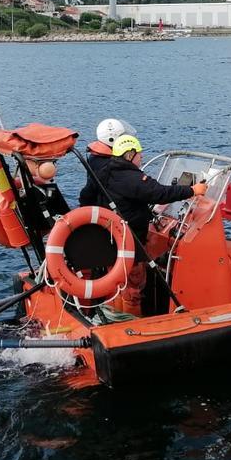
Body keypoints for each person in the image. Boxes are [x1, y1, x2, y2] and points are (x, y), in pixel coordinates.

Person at [99, 134, 207, 316]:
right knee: (134, 283)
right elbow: (159, 193)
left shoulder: (105, 172)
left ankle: (113, 315)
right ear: (130, 154)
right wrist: (192, 190)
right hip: (130, 242)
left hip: (112, 240)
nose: (141, 158)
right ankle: (130, 326)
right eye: (139, 155)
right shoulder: (131, 177)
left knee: (118, 282)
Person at [79, 118, 134, 207]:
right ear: (112, 138)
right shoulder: (108, 163)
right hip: (106, 206)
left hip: (98, 201)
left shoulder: (96, 157)